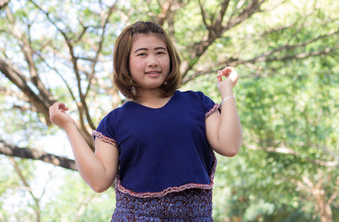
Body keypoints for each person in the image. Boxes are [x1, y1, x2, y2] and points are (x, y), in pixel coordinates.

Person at [49, 21, 242, 221]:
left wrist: (226, 90)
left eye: (160, 52)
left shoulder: (197, 103)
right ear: (125, 62)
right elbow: (99, 182)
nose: (153, 61)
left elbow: (229, 146)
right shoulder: (113, 122)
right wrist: (69, 127)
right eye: (142, 54)